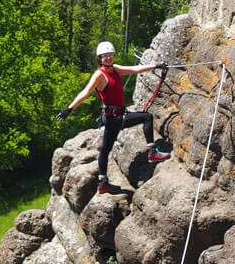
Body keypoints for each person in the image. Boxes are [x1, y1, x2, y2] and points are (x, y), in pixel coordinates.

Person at [56, 40, 170, 195]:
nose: (109, 58)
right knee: (147, 117)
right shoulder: (99, 75)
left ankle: (102, 182)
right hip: (115, 117)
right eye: (105, 56)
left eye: (110, 55)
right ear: (99, 58)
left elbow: (134, 69)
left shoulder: (115, 69)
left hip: (113, 116)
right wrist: (69, 108)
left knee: (105, 149)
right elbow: (85, 92)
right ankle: (152, 153)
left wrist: (155, 66)